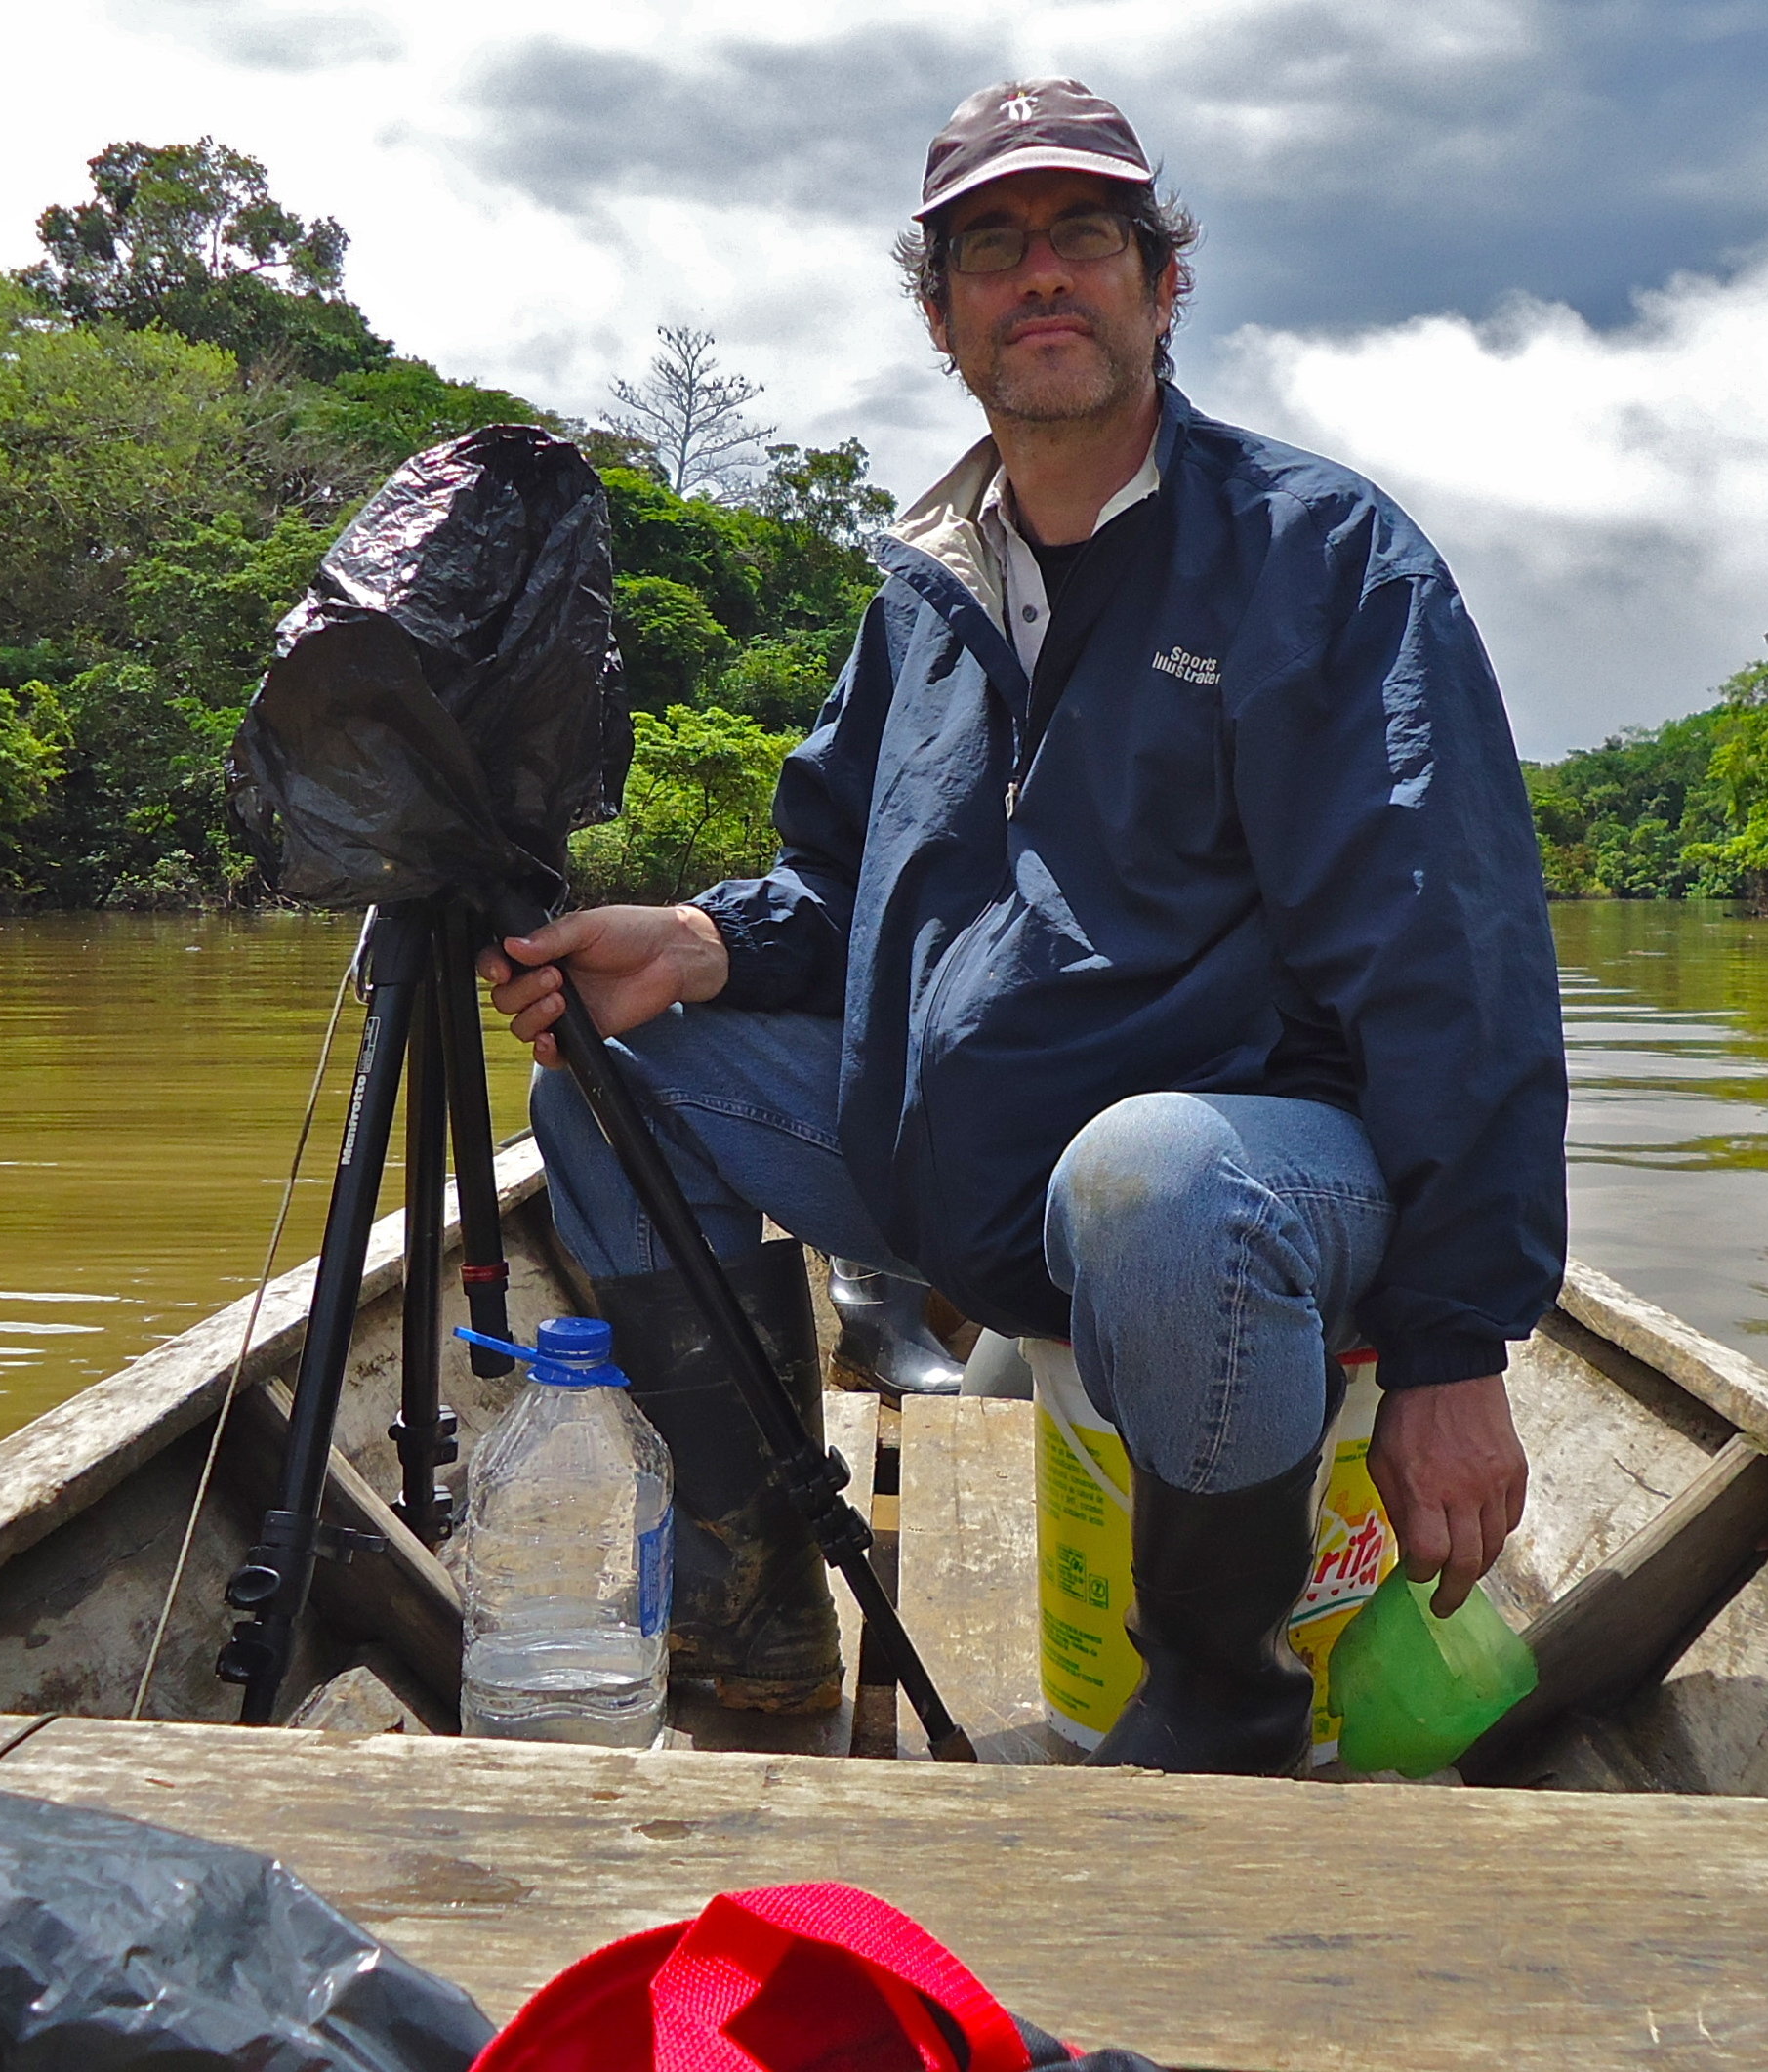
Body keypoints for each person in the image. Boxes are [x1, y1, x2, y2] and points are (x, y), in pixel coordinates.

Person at [484, 78, 1568, 1774]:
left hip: (1258, 1181)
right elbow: (851, 892)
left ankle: (1216, 1694)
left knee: (1157, 1178)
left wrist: (1452, 1347)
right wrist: (701, 943)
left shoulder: (1319, 561)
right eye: (991, 248)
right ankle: (762, 1575)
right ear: (941, 314)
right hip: (975, 1171)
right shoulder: (926, 595)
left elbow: (1459, 966)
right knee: (608, 1086)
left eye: (1084, 237)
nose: (1040, 276)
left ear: (1160, 282)